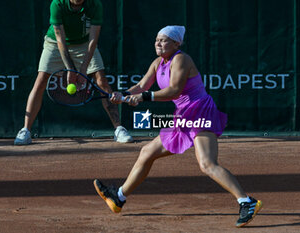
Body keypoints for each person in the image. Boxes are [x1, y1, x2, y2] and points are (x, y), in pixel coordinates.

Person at [93, 25, 262, 227]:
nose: (158, 43)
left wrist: (142, 97)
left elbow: (174, 91)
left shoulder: (182, 59)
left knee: (207, 164)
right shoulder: (157, 63)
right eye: (156, 39)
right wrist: (122, 95)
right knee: (147, 152)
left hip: (200, 111)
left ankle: (246, 201)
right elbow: (141, 86)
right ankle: (119, 197)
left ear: (176, 43)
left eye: (163, 40)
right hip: (182, 116)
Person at [14, 0, 133, 145]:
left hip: (84, 45)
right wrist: (70, 69)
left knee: (101, 80)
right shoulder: (57, 4)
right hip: (55, 44)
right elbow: (60, 39)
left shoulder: (95, 4)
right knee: (40, 80)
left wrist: (83, 69)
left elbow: (93, 39)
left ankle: (119, 129)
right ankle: (25, 131)